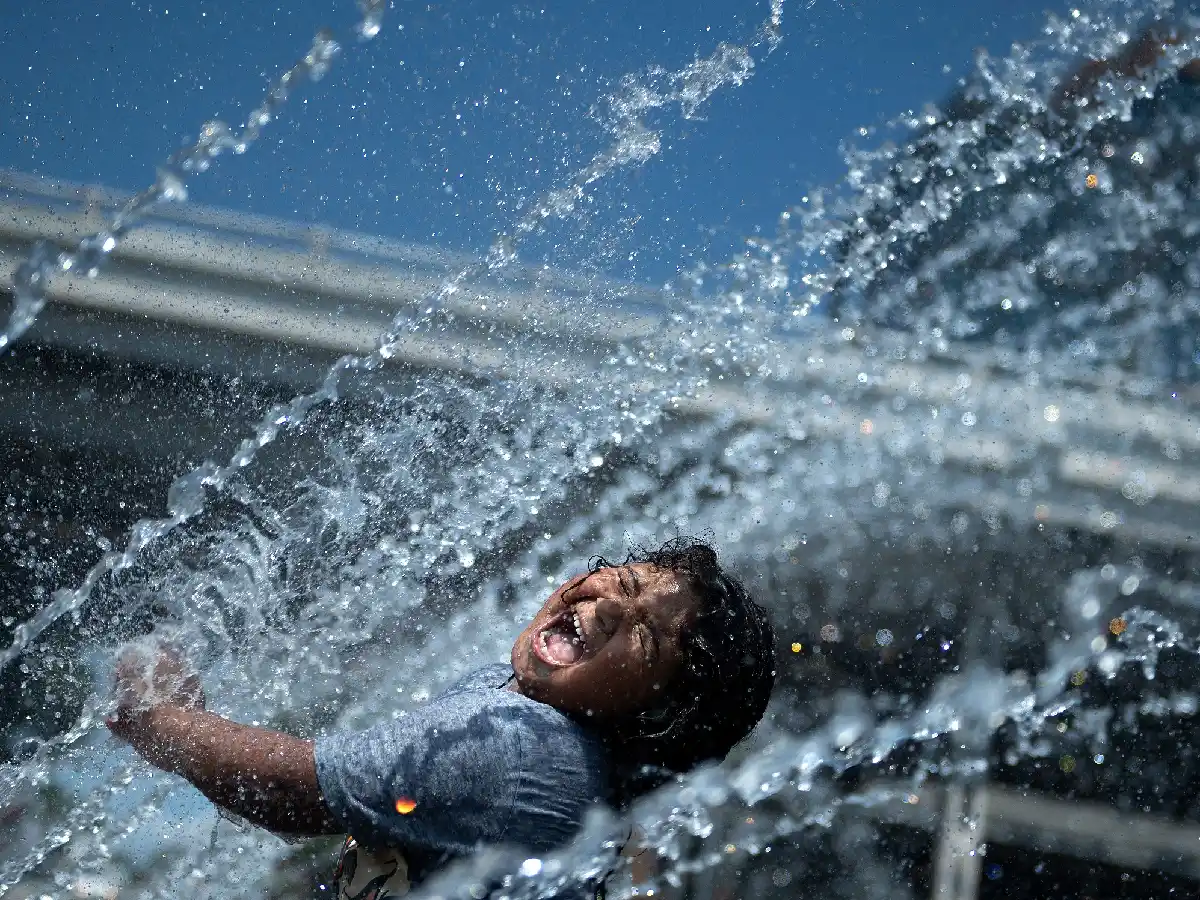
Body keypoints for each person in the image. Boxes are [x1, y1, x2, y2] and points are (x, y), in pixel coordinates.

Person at [105, 537, 776, 897]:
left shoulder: (526, 746)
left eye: (644, 637)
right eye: (622, 582)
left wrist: (158, 717)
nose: (604, 606)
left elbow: (290, 793)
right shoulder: (524, 706)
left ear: (656, 713)